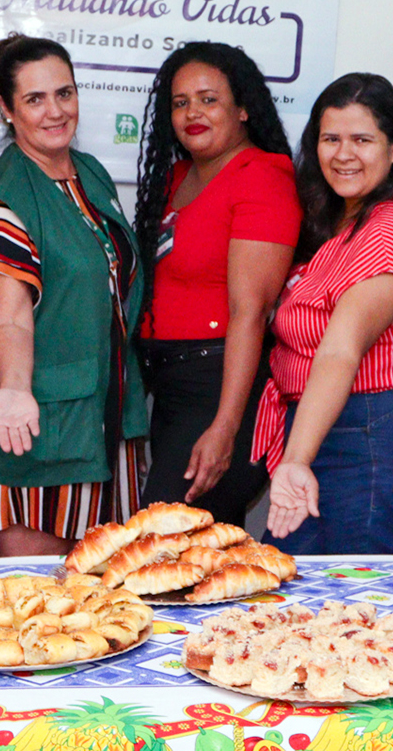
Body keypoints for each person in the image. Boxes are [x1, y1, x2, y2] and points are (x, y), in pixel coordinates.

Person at [0, 35, 147, 555]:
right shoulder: (5, 199)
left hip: (103, 420)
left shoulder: (90, 174)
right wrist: (15, 387)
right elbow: (11, 317)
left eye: (65, 93)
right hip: (36, 428)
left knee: (104, 605)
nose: (55, 111)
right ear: (6, 109)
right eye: (35, 99)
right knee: (38, 607)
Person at [257, 74, 393, 553]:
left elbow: (341, 349)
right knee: (300, 601)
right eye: (331, 139)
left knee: (358, 609)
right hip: (340, 436)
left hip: (373, 441)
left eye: (362, 139)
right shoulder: (345, 222)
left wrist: (296, 459)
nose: (343, 154)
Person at [132, 42, 301, 525]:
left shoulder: (262, 177)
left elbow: (251, 312)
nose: (192, 113)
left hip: (221, 390)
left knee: (167, 543)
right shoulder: (177, 176)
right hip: (171, 390)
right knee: (191, 555)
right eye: (180, 102)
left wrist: (225, 428)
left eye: (208, 99)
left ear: (243, 107)